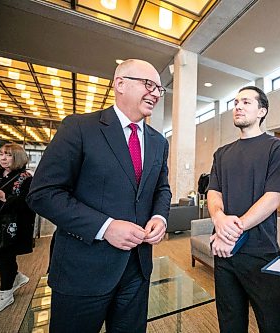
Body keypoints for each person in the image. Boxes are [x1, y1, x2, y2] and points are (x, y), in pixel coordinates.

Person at [27, 59, 172, 332]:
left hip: (137, 270)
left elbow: (161, 188)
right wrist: (105, 227)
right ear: (120, 84)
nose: (155, 93)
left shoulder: (158, 141)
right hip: (83, 270)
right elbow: (43, 193)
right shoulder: (79, 127)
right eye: (148, 84)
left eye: (159, 89)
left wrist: (159, 217)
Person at [207, 86, 280, 333]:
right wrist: (218, 217)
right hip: (224, 253)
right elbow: (214, 192)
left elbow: (273, 197)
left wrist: (232, 230)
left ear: (261, 111)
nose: (238, 107)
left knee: (272, 324)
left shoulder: (277, 148)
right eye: (235, 102)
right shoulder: (221, 153)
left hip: (260, 253)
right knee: (230, 323)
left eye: (246, 102)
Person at [0, 143, 34, 314]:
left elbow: (30, 203)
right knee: (1, 258)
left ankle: (6, 293)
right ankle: (15, 276)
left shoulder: (26, 178)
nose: (3, 158)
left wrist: (5, 197)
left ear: (17, 157)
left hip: (13, 227)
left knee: (5, 257)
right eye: (1, 154)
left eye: (8, 155)